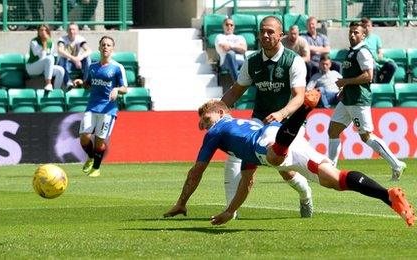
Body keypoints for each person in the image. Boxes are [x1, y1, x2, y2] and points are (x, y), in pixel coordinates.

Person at [163, 99, 415, 227]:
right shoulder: (239, 133)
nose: (204, 124)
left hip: (273, 139)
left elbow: (196, 171)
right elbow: (247, 180)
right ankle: (389, 196)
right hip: (285, 137)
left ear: (220, 112)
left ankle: (304, 110)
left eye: (206, 117)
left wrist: (181, 202)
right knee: (334, 180)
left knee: (274, 156)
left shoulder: (218, 131)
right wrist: (230, 210)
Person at [220, 16, 313, 218]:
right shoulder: (252, 61)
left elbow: (299, 98)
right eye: (262, 31)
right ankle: (230, 210)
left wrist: (281, 114)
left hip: (290, 122)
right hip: (260, 121)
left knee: (284, 168)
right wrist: (217, 110)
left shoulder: (294, 60)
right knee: (235, 154)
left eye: (270, 31)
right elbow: (236, 91)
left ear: (281, 35)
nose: (265, 35)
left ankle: (306, 195)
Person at [327, 21, 407, 181]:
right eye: (351, 32)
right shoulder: (352, 52)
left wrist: (345, 82)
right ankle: (331, 170)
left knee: (366, 137)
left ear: (363, 35)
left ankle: (397, 164)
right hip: (348, 99)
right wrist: (344, 89)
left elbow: (368, 76)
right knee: (333, 131)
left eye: (356, 32)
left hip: (358, 100)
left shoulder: (363, 52)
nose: (352, 35)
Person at [73, 36, 128, 177]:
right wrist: (81, 83)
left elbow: (125, 88)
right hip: (92, 106)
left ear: (112, 49)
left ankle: (96, 168)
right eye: (103, 44)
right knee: (84, 137)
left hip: (108, 110)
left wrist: (116, 89)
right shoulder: (92, 67)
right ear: (99, 47)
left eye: (109, 45)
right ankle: (91, 157)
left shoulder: (117, 68)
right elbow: (88, 84)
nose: (105, 47)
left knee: (99, 142)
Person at [26, 24, 65, 91]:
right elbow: (42, 58)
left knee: (60, 70)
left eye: (45, 30)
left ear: (48, 32)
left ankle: (56, 91)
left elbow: (50, 57)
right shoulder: (34, 42)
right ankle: (48, 84)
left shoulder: (51, 42)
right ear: (38, 32)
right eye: (41, 30)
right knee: (49, 58)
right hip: (32, 67)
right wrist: (44, 43)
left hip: (45, 68)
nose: (43, 32)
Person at [57, 22, 92, 90]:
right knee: (62, 59)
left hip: (77, 64)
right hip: (66, 64)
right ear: (67, 31)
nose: (71, 31)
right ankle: (68, 83)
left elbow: (89, 50)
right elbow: (60, 50)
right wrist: (74, 59)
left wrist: (79, 58)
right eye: (70, 29)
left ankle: (86, 82)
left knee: (87, 58)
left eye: (73, 29)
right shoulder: (62, 39)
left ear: (77, 31)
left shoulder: (80, 39)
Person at [361, 17, 396, 83]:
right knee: (373, 66)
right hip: (368, 64)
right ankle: (374, 87)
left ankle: (384, 85)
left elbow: (380, 51)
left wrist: (380, 54)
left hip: (378, 62)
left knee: (392, 66)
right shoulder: (360, 39)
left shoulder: (376, 38)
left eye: (368, 26)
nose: (367, 28)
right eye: (364, 27)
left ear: (371, 26)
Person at [214, 18, 247, 82]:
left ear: (234, 27)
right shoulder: (220, 37)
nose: (229, 26)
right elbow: (224, 48)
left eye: (231, 25)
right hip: (226, 63)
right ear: (223, 26)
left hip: (240, 62)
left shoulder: (240, 37)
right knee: (230, 53)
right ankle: (237, 83)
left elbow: (244, 49)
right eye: (227, 24)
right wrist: (237, 47)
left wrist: (230, 46)